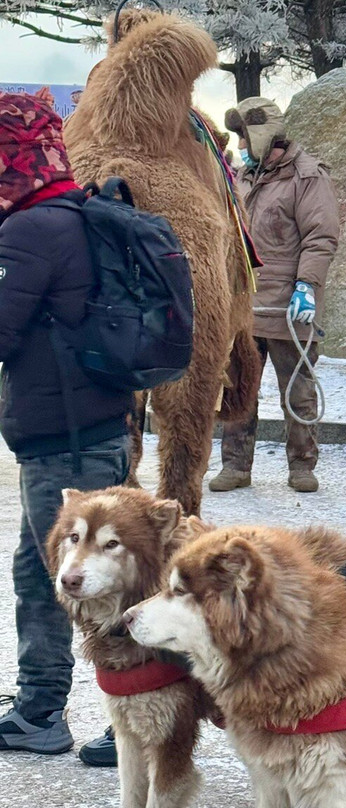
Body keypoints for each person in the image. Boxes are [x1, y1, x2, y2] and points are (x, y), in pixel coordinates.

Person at [0, 93, 131, 759]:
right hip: (92, 430)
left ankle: (134, 716)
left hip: (66, 445)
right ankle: (39, 710)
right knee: (40, 573)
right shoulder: (73, 212)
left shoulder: (29, 230)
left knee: (94, 584)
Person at [212, 98, 340, 494]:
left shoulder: (307, 176)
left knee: (297, 390)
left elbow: (321, 237)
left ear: (264, 134)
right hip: (244, 304)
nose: (240, 143)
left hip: (289, 306)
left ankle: (302, 465)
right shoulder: (242, 175)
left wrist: (307, 286)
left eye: (244, 135)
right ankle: (235, 465)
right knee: (236, 387)